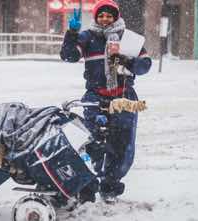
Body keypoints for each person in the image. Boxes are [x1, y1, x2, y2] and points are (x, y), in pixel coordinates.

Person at [60, 0, 152, 201]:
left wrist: (127, 61)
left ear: (116, 17)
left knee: (121, 147)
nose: (105, 19)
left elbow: (145, 65)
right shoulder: (87, 37)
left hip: (124, 97)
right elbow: (68, 56)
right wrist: (72, 33)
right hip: (95, 97)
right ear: (95, 17)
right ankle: (87, 188)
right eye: (101, 15)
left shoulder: (129, 39)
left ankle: (110, 187)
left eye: (109, 15)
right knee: (94, 143)